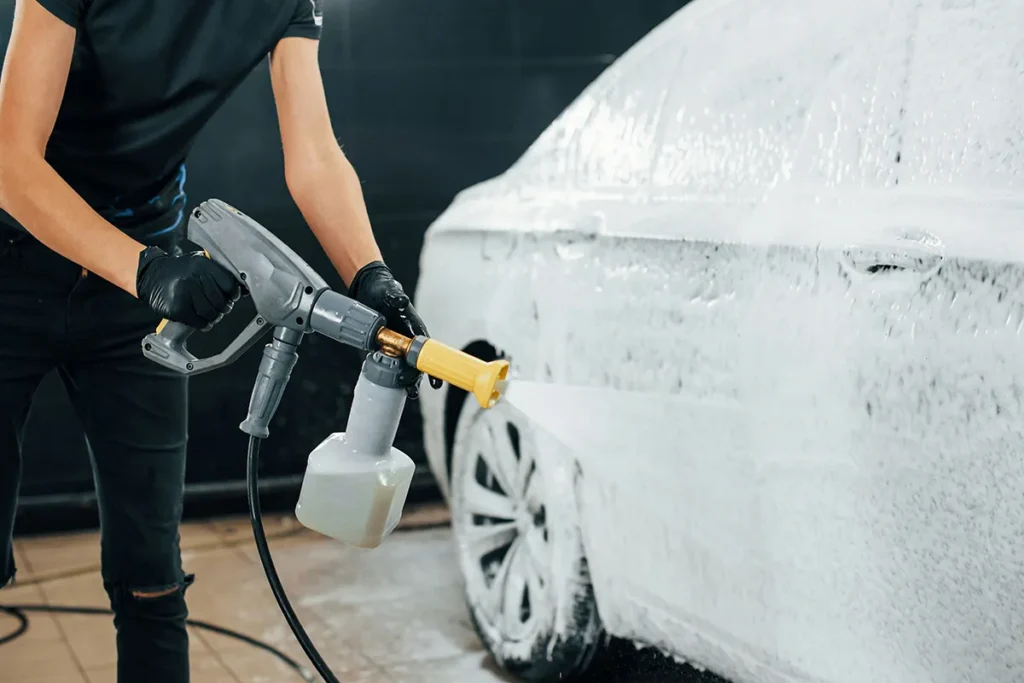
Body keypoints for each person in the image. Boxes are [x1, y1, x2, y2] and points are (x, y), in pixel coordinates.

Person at [0, 0, 439, 680]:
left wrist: (371, 273)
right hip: (13, 263)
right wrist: (146, 271)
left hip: (138, 285)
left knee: (153, 578)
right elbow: (8, 160)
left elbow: (316, 154)